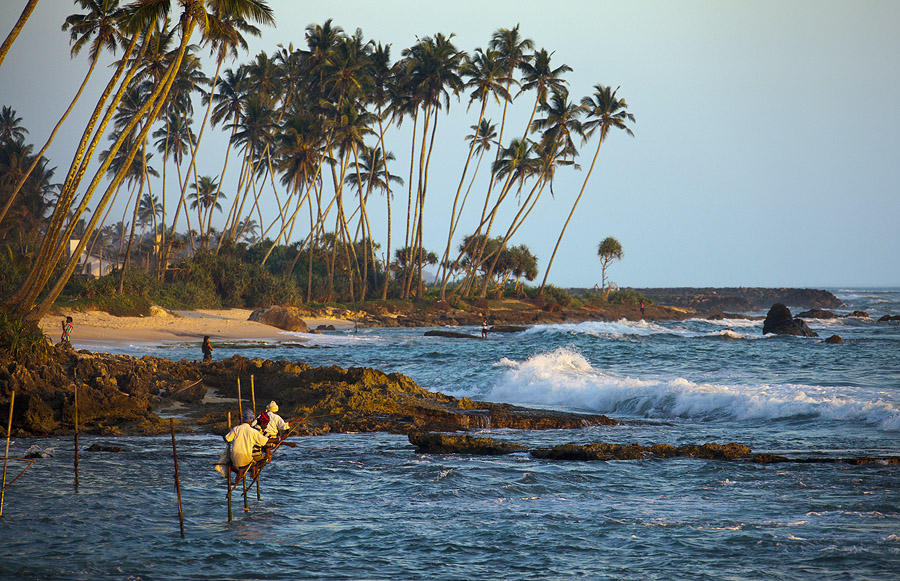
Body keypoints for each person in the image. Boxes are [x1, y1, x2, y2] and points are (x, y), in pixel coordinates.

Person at [223, 408, 272, 476]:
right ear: (252, 420)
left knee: (230, 464)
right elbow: (265, 440)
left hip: (235, 458)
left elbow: (227, 439)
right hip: (247, 459)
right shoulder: (253, 431)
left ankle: (240, 473)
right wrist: (279, 439)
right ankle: (249, 470)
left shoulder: (236, 428)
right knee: (262, 462)